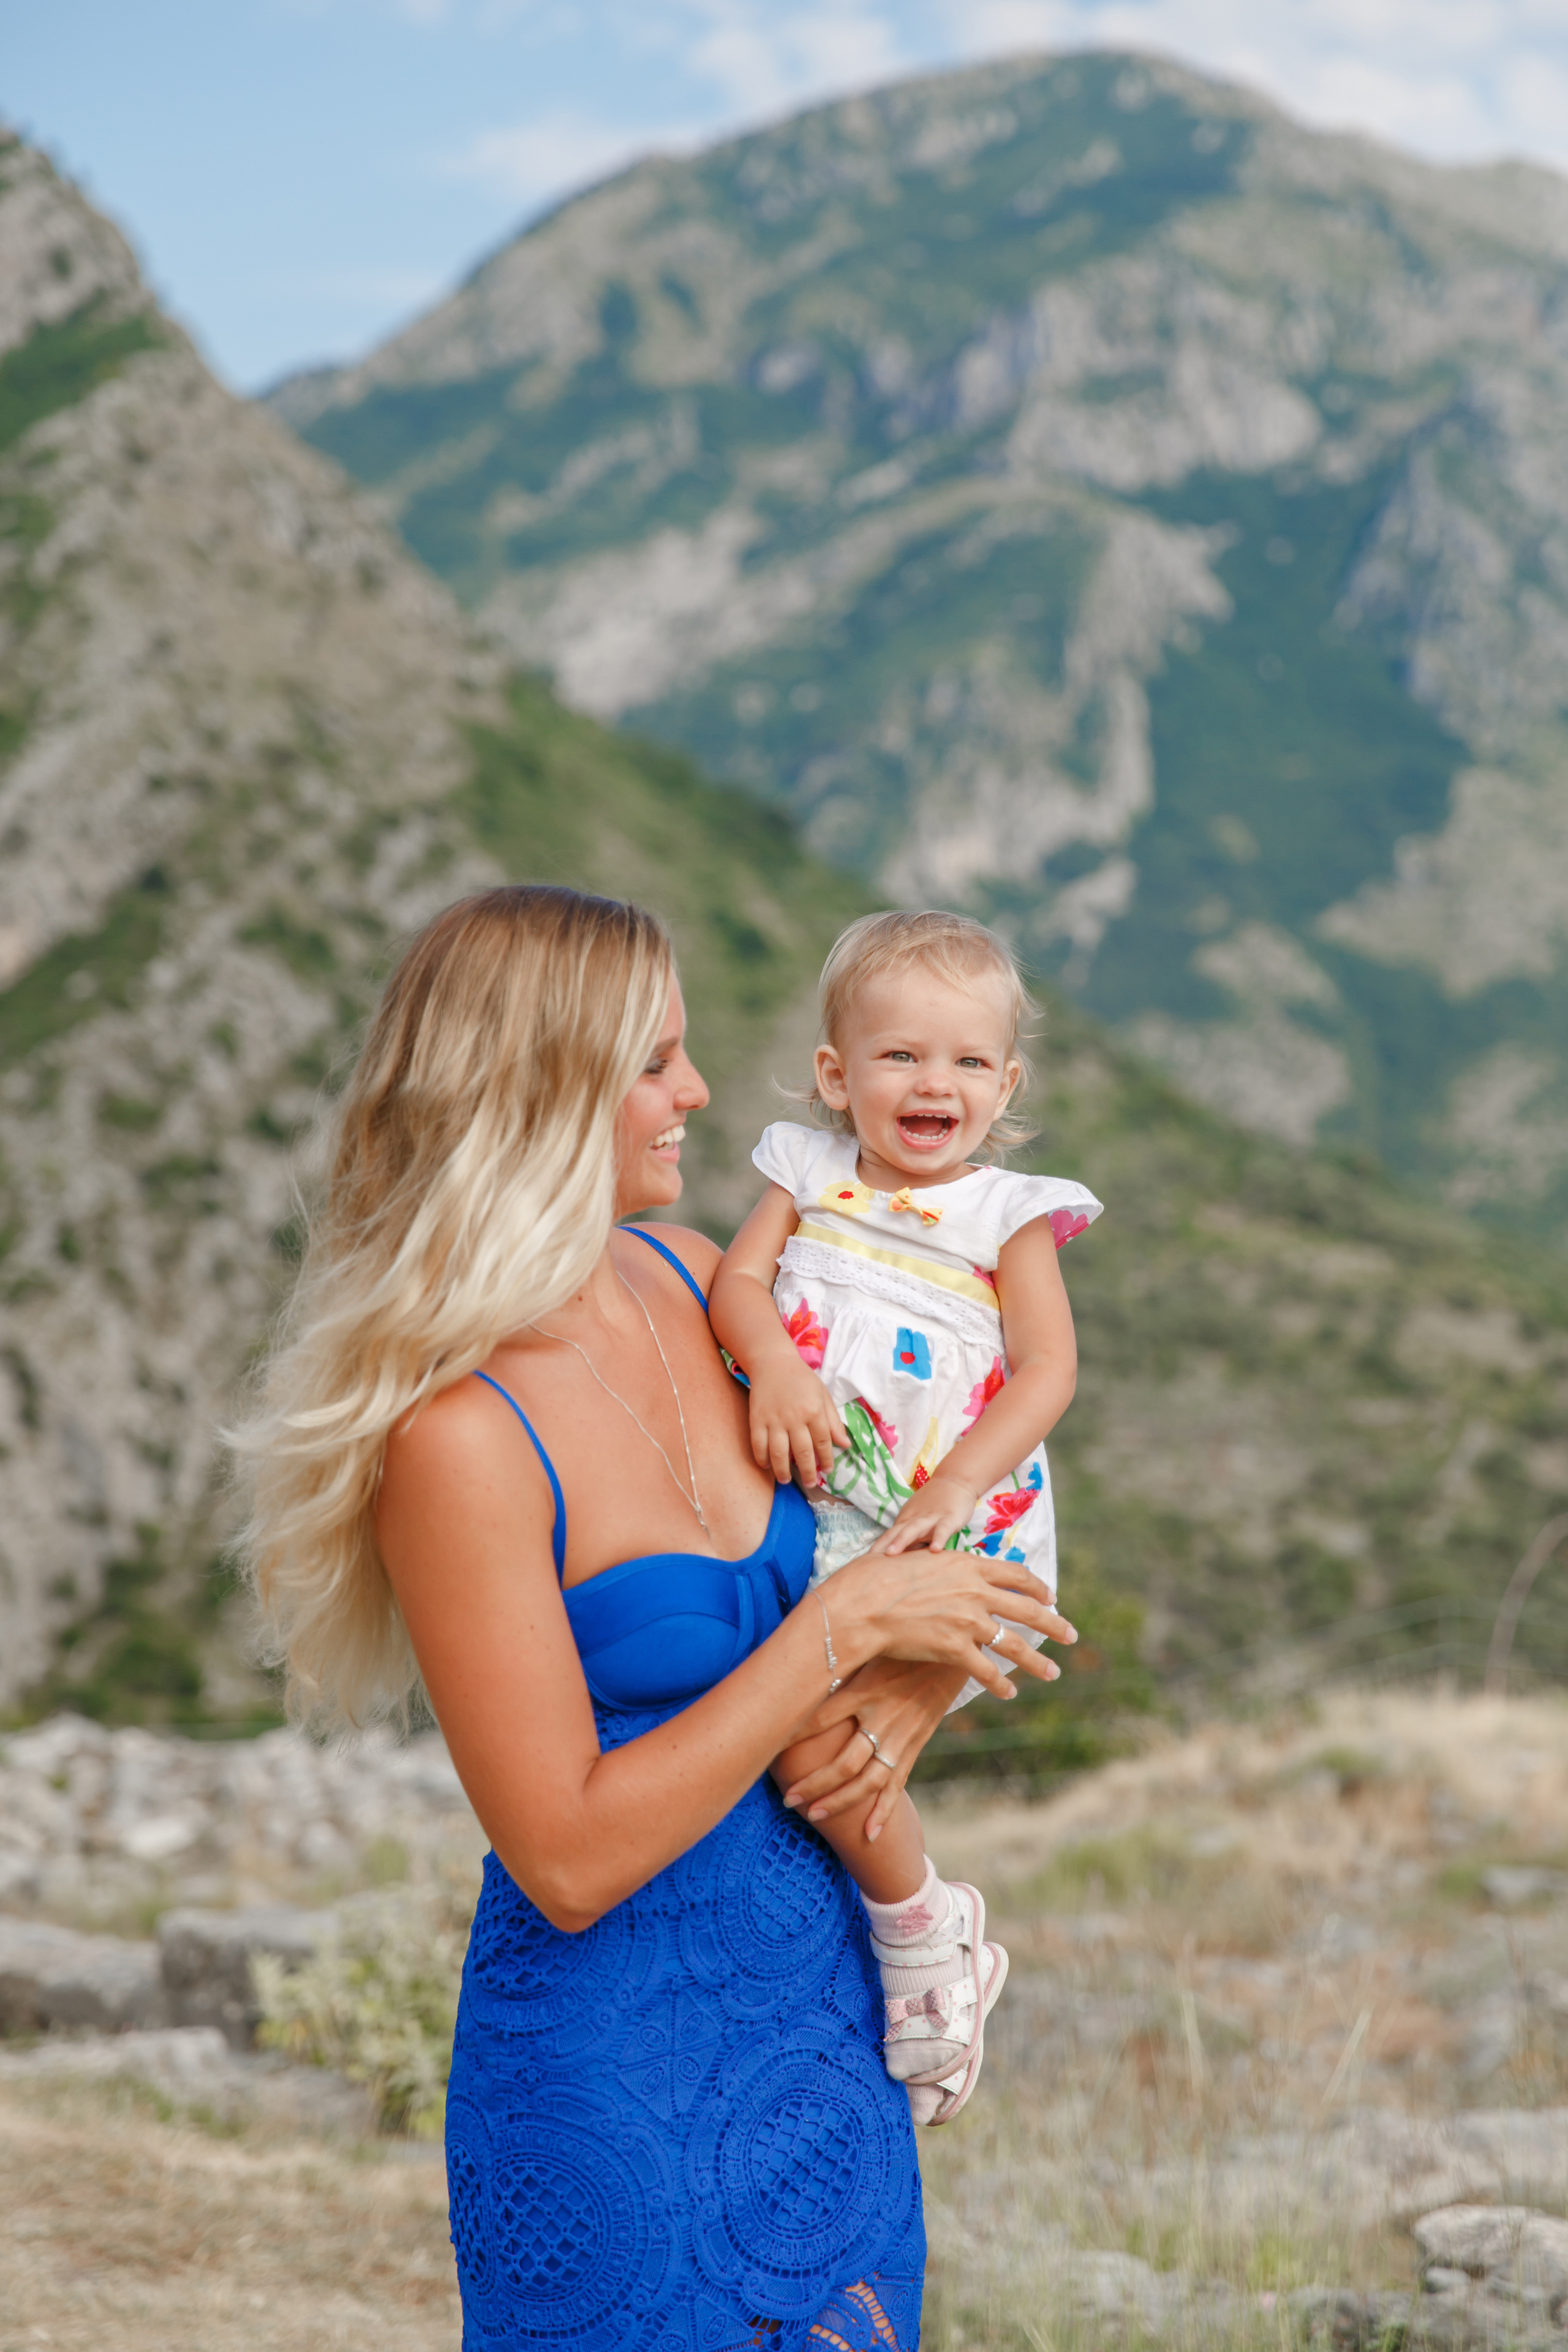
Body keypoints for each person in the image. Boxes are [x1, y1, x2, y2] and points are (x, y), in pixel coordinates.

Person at [233, 884, 1073, 2352]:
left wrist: (909, 1687)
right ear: (537, 1094)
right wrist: (838, 1635)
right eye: (654, 1062)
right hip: (608, 2082)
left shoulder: (704, 1284)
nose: (695, 1093)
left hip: (823, 2033)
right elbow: (562, 1860)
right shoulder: (455, 1438)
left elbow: (924, 1509)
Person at [709, 910, 1101, 2123]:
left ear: (1006, 1086)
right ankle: (899, 1924)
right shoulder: (805, 1174)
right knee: (788, 1727)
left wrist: (954, 1487)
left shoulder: (1008, 1214)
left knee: (816, 1744)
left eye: (968, 1061)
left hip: (943, 1519)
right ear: (837, 1075)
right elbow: (734, 1283)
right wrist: (775, 1366)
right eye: (900, 1057)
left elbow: (1047, 1369)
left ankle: (919, 1932)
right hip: (818, 1503)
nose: (936, 1083)